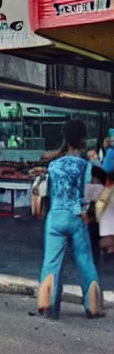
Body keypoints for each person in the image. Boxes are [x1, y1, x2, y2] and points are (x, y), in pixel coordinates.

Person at [37, 120, 104, 319]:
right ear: (82, 140)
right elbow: (92, 193)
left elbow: (46, 191)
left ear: (66, 140)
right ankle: (93, 307)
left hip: (55, 217)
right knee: (84, 261)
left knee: (51, 262)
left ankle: (47, 305)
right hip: (77, 217)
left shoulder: (53, 165)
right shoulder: (86, 166)